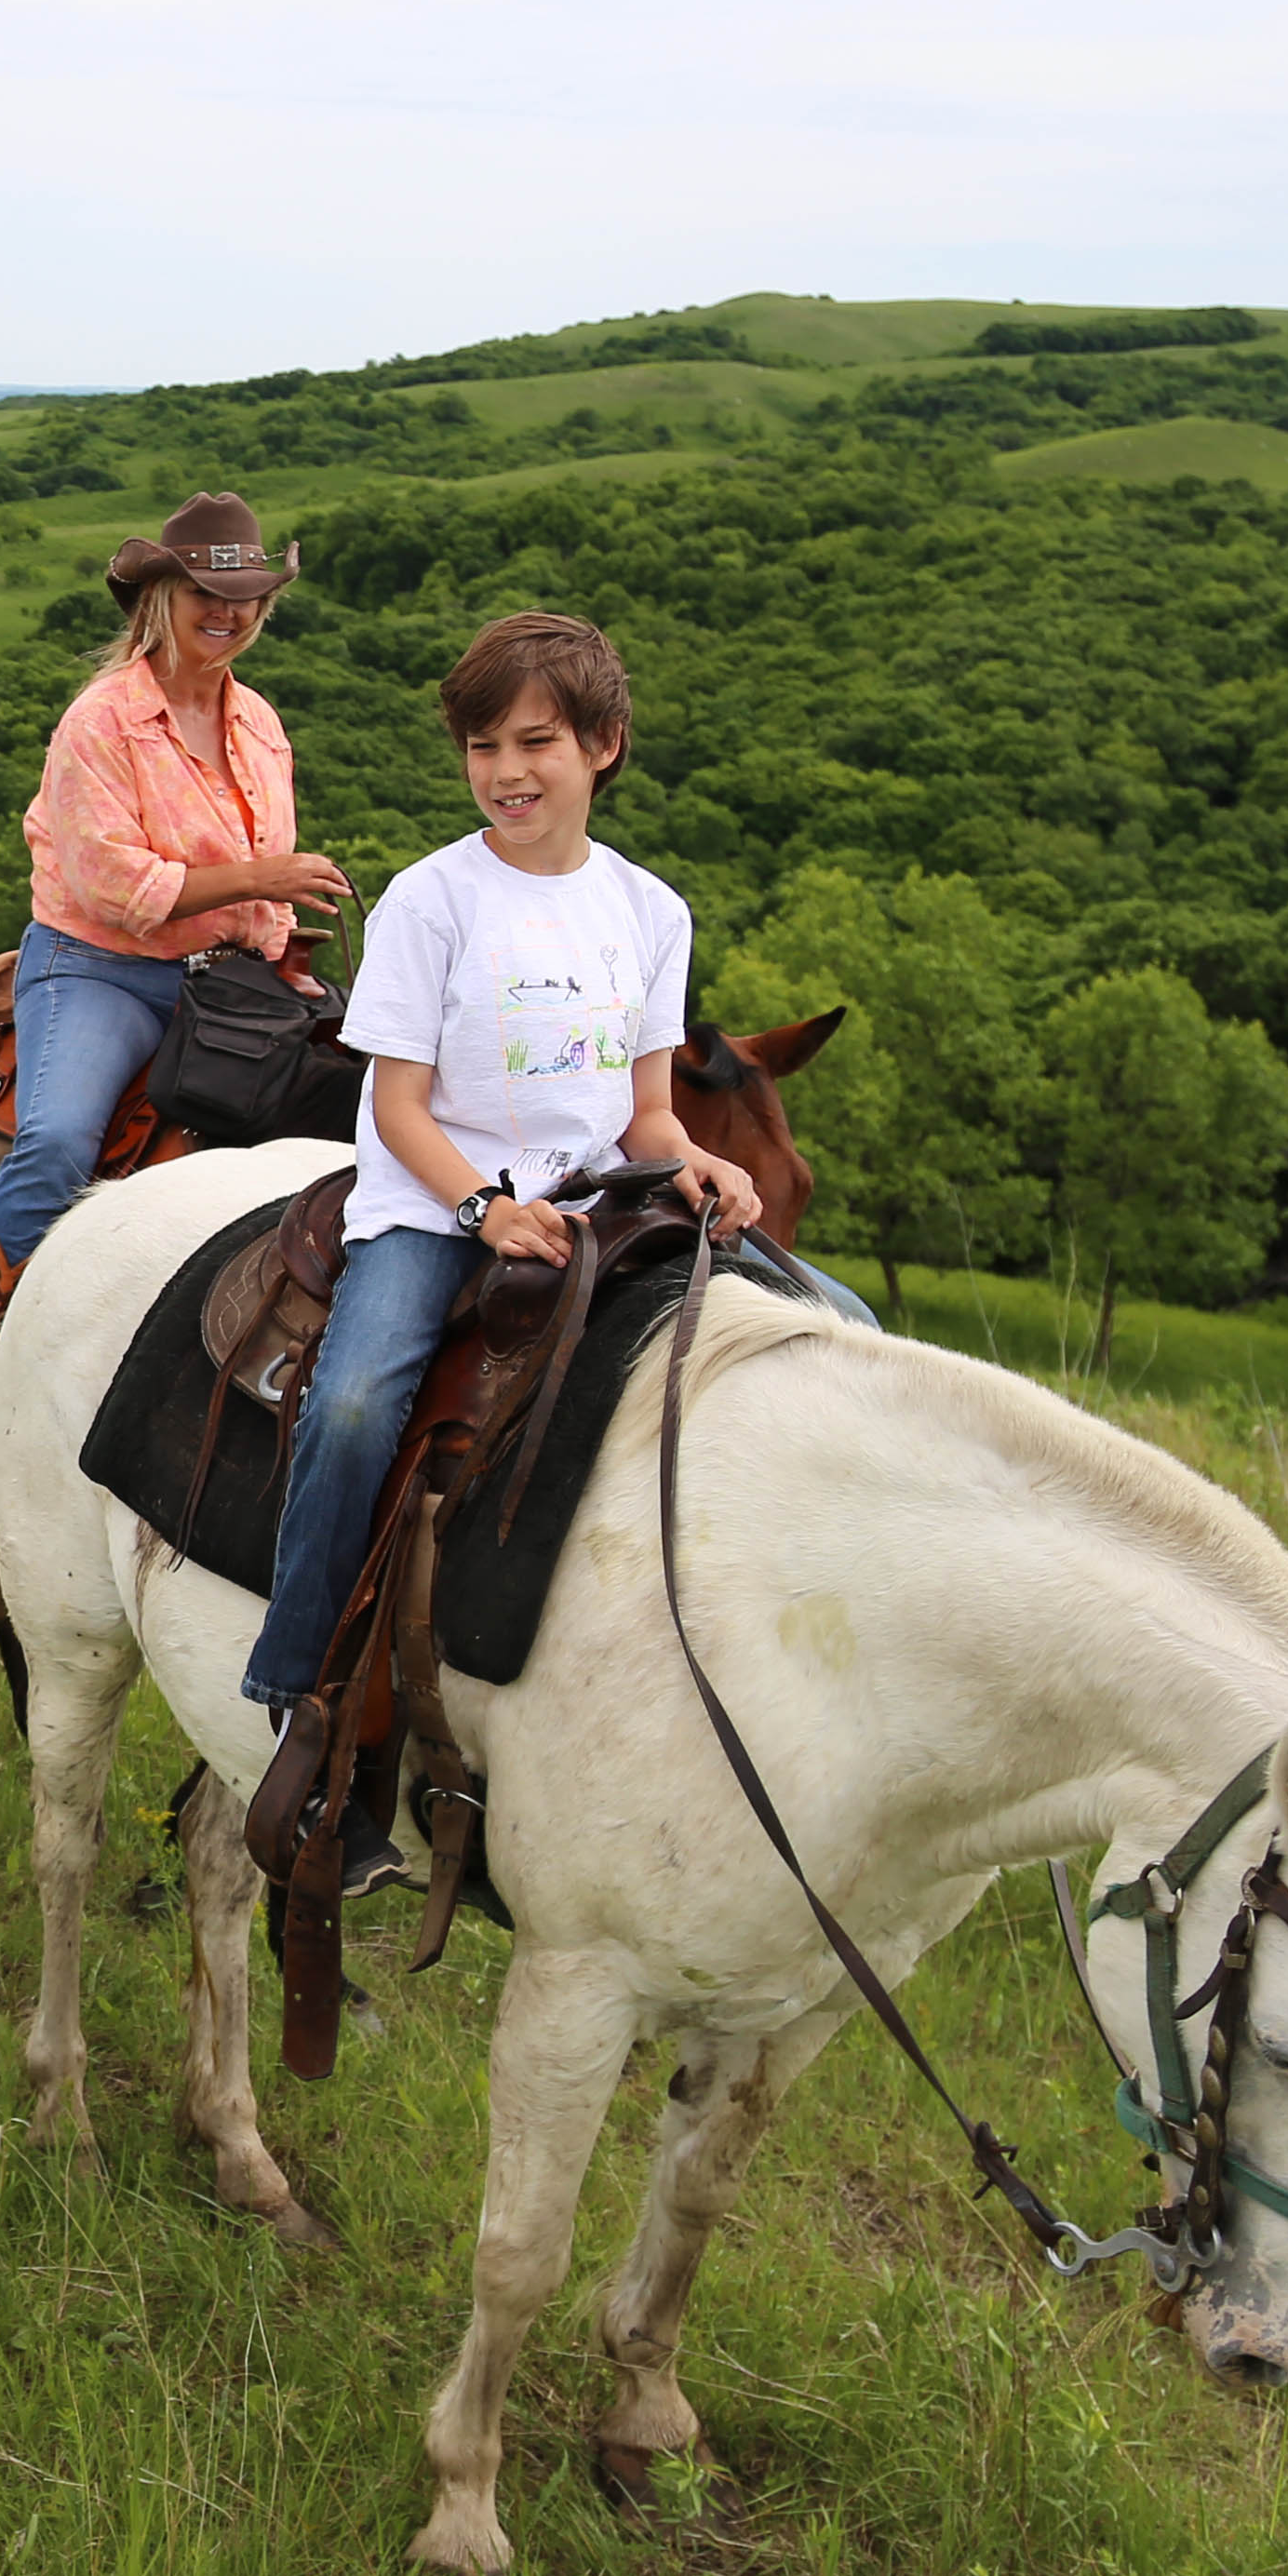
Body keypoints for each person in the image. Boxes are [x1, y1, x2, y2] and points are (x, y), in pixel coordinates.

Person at [240, 610, 758, 1853]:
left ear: (604, 746)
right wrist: (482, 1209)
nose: (507, 772)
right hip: (437, 1208)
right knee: (359, 1402)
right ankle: (298, 1686)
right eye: (482, 746)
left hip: (594, 1213)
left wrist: (702, 1165)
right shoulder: (434, 900)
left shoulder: (649, 910)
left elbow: (644, 1116)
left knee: (831, 1324)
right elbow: (396, 1107)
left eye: (536, 742)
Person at [0, 492, 345, 1448]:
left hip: (224, 974)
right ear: (160, 598)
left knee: (353, 1106)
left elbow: (263, 866)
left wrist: (280, 939)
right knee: (63, 1137)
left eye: (244, 597)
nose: (227, 612)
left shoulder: (260, 722)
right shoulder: (100, 722)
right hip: (100, 967)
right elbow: (117, 885)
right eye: (206, 592)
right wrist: (264, 877)